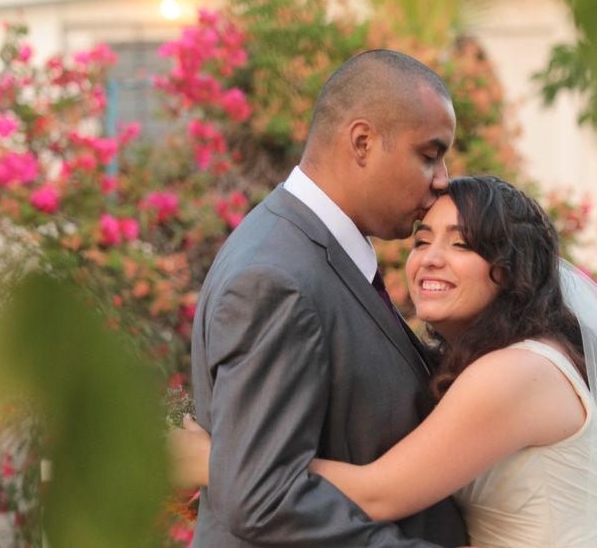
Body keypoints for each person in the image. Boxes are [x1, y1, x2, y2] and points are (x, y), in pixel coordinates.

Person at [177, 175, 597, 547]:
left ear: (509, 270)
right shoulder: (503, 362)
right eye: (422, 240)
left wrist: (219, 462)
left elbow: (377, 494)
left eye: (461, 244)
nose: (430, 258)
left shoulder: (518, 373)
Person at [188, 49, 466, 546]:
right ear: (362, 142)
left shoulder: (315, 252)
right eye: (429, 154)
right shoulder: (275, 278)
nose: (443, 178)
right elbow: (261, 498)